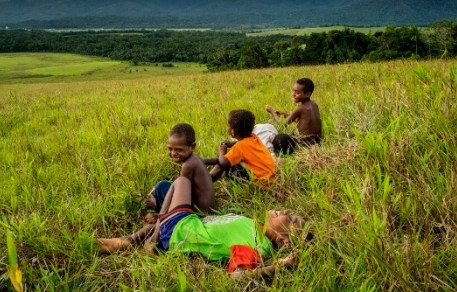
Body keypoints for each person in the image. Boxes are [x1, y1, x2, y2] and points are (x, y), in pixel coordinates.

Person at [98, 177, 311, 278]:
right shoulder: (255, 228)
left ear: (284, 241)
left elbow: (237, 277)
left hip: (181, 230)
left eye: (290, 219)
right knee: (170, 187)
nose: (285, 212)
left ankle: (145, 237)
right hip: (186, 224)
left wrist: (279, 265)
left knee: (181, 181)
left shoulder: (258, 245)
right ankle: (134, 238)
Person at [145, 123, 214, 215]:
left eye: (179, 150)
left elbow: (182, 194)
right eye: (170, 149)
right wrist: (219, 161)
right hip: (205, 208)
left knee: (163, 188)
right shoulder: (195, 158)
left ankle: (159, 208)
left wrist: (160, 215)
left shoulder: (188, 166)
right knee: (162, 185)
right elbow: (209, 160)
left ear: (192, 147)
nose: (173, 153)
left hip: (198, 214)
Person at [204, 110, 277, 182]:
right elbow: (243, 142)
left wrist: (221, 151)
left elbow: (223, 162)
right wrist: (232, 143)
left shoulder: (239, 147)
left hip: (261, 181)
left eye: (228, 125)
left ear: (232, 132)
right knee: (231, 160)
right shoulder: (253, 136)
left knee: (225, 166)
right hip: (270, 175)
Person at [266, 77, 323, 146]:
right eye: (293, 91)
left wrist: (272, 112)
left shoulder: (300, 108)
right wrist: (284, 114)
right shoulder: (314, 104)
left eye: (297, 92)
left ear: (308, 94)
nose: (293, 94)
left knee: (271, 122)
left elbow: (283, 124)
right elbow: (301, 119)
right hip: (317, 141)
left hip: (304, 143)